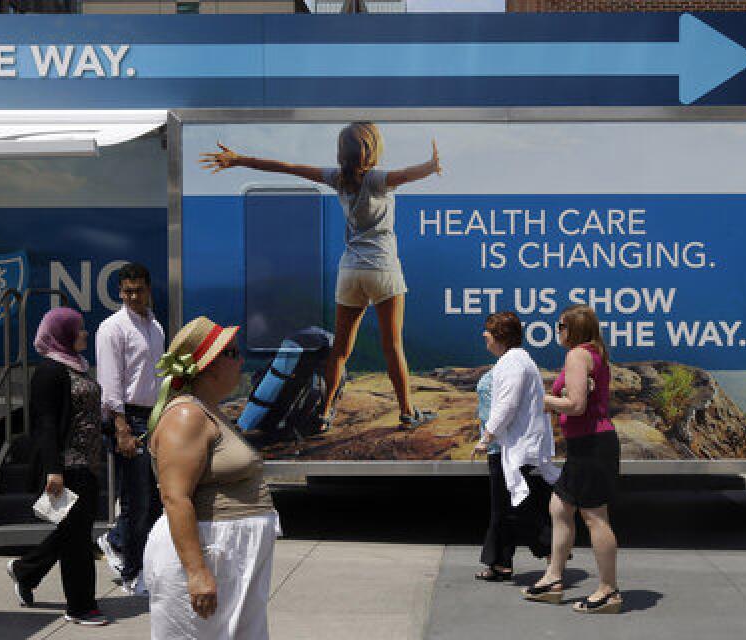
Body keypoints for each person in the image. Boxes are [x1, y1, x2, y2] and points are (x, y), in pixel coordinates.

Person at [84, 317, 316, 640]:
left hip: (236, 557)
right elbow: (176, 498)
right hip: (205, 553)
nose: (241, 361)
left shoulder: (210, 411)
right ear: (209, 365)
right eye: (231, 353)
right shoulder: (186, 416)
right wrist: (197, 571)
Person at [199, 122, 441, 433]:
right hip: (383, 268)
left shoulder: (338, 179)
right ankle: (407, 412)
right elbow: (407, 175)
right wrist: (431, 166)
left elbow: (288, 168)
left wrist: (240, 160)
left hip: (350, 271)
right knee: (392, 345)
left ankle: (325, 413)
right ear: (372, 150)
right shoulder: (377, 180)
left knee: (340, 349)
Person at [6, 306, 106, 626]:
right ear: (62, 334)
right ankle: (80, 607)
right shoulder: (49, 372)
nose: (84, 333)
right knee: (77, 539)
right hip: (68, 464)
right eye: (78, 329)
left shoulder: (76, 366)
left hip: (88, 462)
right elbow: (45, 425)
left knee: (73, 531)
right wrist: (53, 469)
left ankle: (26, 569)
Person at [524, 304, 623, 614]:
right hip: (587, 446)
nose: (557, 331)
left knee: (595, 517)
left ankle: (608, 590)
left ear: (574, 329)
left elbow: (576, 405)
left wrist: (540, 399)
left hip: (592, 445)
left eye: (560, 326)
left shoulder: (578, 355)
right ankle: (554, 577)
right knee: (559, 506)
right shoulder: (592, 354)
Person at [471, 311, 557, 581]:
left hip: (513, 447)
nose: (484, 334)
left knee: (518, 508)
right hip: (512, 446)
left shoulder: (513, 363)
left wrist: (486, 438)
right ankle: (501, 563)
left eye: (488, 330)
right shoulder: (514, 360)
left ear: (500, 335)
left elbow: (506, 406)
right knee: (510, 508)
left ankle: (553, 552)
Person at [96, 262, 165, 594]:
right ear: (120, 292)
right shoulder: (113, 329)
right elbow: (110, 385)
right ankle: (131, 571)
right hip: (129, 419)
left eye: (138, 290)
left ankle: (126, 548)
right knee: (135, 500)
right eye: (127, 291)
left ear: (149, 289)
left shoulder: (156, 328)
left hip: (153, 417)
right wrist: (121, 428)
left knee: (154, 500)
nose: (133, 296)